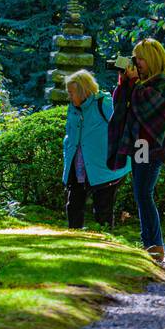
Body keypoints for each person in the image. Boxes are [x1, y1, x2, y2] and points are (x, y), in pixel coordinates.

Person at [107, 39, 165, 263]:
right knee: (141, 194)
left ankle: (155, 244)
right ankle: (149, 243)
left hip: (153, 145)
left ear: (151, 58)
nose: (136, 62)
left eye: (139, 58)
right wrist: (125, 82)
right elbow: (120, 102)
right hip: (140, 144)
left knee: (144, 193)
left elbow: (148, 108)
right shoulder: (143, 82)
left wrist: (134, 84)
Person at [63, 70, 127, 233]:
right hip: (77, 164)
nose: (69, 97)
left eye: (71, 93)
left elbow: (123, 126)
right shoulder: (72, 108)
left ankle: (106, 242)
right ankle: (73, 238)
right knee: (74, 204)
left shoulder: (104, 104)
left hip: (104, 167)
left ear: (83, 91)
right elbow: (69, 135)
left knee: (103, 208)